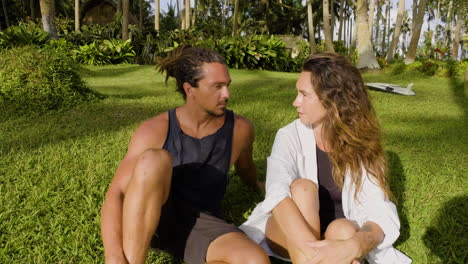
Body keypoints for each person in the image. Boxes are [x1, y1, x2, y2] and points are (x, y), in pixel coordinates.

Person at [101, 46, 269, 264]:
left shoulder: (240, 128)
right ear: (190, 90)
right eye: (217, 87)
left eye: (227, 85)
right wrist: (113, 255)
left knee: (254, 260)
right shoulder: (155, 129)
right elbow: (116, 194)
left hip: (202, 223)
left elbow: (245, 167)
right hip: (148, 223)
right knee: (154, 159)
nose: (226, 94)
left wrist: (256, 183)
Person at [240, 53, 412, 264]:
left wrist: (353, 246)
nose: (295, 102)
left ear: (333, 100)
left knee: (344, 229)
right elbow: (277, 195)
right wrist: (315, 255)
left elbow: (379, 211)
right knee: (303, 188)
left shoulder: (363, 145)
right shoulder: (288, 136)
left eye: (304, 94)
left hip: (337, 235)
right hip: (290, 233)